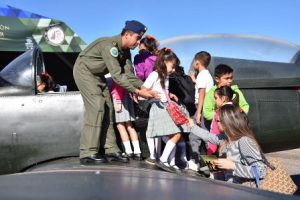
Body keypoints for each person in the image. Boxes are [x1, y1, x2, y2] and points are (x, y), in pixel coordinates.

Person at [73, 20, 158, 165]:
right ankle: (88, 152)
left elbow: (129, 74)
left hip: (97, 75)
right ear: (126, 34)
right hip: (84, 71)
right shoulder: (110, 46)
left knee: (109, 107)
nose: (138, 43)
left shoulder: (125, 51)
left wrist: (144, 88)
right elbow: (117, 76)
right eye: (137, 38)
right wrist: (138, 92)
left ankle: (111, 149)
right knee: (97, 107)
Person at [188, 104, 267, 183]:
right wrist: (192, 126)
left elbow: (261, 171)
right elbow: (208, 136)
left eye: (218, 120)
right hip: (225, 186)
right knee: (204, 161)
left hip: (239, 190)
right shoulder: (226, 138)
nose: (216, 121)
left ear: (227, 122)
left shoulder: (244, 141)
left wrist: (232, 166)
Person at [143, 48, 185, 172]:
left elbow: (163, 90)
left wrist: (169, 95)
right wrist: (152, 93)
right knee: (176, 134)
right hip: (159, 107)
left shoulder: (165, 76)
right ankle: (164, 159)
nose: (173, 70)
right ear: (164, 62)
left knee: (172, 135)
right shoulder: (155, 74)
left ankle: (168, 161)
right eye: (172, 66)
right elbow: (143, 89)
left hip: (165, 106)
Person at [203, 64, 249, 129]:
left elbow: (244, 106)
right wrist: (223, 116)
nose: (230, 81)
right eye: (226, 78)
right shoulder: (211, 93)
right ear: (217, 79)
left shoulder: (236, 92)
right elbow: (207, 112)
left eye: (231, 78)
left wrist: (237, 115)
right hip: (219, 129)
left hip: (236, 127)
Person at [110, 80, 142, 160]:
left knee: (120, 126)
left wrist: (118, 102)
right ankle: (137, 152)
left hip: (120, 99)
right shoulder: (127, 73)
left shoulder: (117, 73)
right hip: (128, 97)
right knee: (129, 126)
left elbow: (118, 88)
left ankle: (129, 152)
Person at [207, 86, 239, 155]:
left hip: (223, 145)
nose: (214, 100)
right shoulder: (237, 109)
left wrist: (210, 153)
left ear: (223, 98)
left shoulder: (220, 112)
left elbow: (215, 132)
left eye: (216, 98)